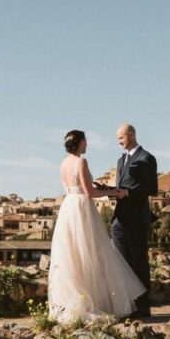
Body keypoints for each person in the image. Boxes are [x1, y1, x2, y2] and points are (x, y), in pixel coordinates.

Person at [47, 129, 146, 323]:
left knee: (72, 254)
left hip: (68, 207)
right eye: (85, 141)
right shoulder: (81, 162)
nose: (87, 144)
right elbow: (89, 192)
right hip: (82, 208)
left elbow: (73, 187)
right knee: (92, 251)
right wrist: (113, 192)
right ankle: (96, 302)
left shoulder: (63, 163)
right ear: (80, 143)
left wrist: (98, 188)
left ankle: (72, 302)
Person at [111, 122, 158, 318]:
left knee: (138, 263)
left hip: (136, 219)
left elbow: (151, 189)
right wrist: (112, 192)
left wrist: (127, 193)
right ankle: (127, 305)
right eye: (117, 139)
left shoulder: (147, 158)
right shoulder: (121, 161)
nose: (119, 142)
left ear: (131, 134)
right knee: (121, 264)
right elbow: (120, 186)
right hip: (118, 220)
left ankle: (143, 307)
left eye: (121, 138)